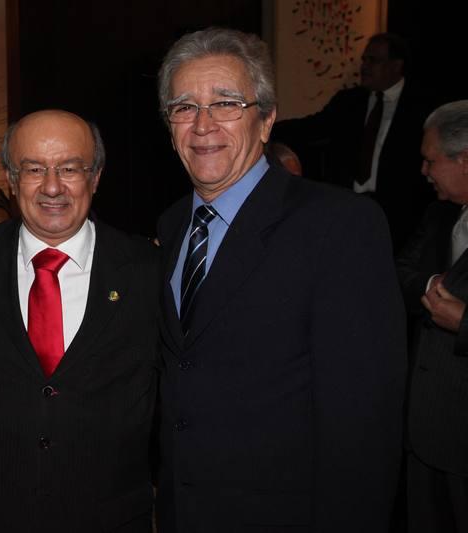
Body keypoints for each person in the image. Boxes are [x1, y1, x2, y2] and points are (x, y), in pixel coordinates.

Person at [154, 27, 407, 532]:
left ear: (267, 119)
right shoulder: (172, 223)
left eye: (226, 103)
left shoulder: (339, 226)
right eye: (184, 107)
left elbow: (363, 421)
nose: (202, 125)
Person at [0, 109, 160, 532]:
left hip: (112, 518)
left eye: (69, 168)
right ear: (11, 179)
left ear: (95, 177)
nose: (52, 187)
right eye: (34, 169)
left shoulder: (148, 270)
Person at [271, 32, 433, 251]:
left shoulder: (421, 106)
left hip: (399, 214)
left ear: (396, 66)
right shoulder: (349, 101)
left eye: (373, 60)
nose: (365, 66)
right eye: (364, 60)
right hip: (349, 205)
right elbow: (311, 128)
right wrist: (264, 128)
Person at [396, 100, 468, 533]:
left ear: (465, 161)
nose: (424, 171)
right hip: (424, 430)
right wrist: (429, 286)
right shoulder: (439, 213)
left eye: (431, 160)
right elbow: (401, 271)